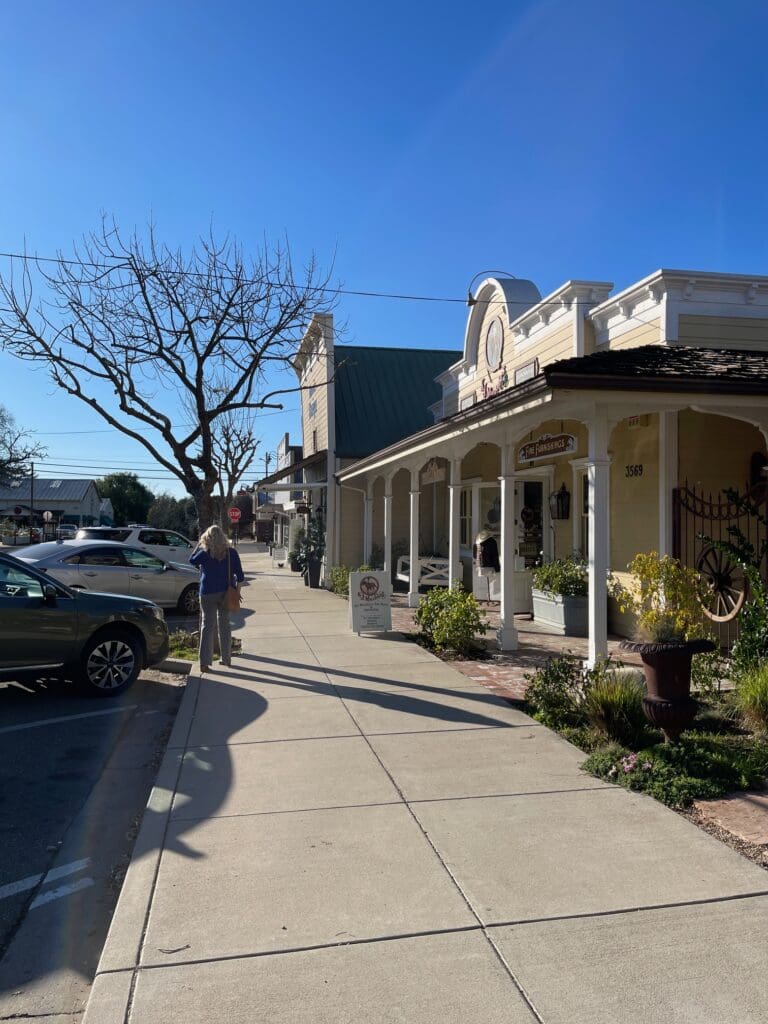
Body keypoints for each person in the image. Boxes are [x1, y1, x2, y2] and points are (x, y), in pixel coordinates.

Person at [189, 525, 245, 672]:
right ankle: (226, 659)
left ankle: (204, 663)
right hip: (226, 592)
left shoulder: (204, 553)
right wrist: (237, 592)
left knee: (207, 626)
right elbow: (240, 576)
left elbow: (191, 560)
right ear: (223, 537)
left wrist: (199, 545)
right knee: (225, 625)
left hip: (207, 593)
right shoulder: (231, 553)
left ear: (207, 538)